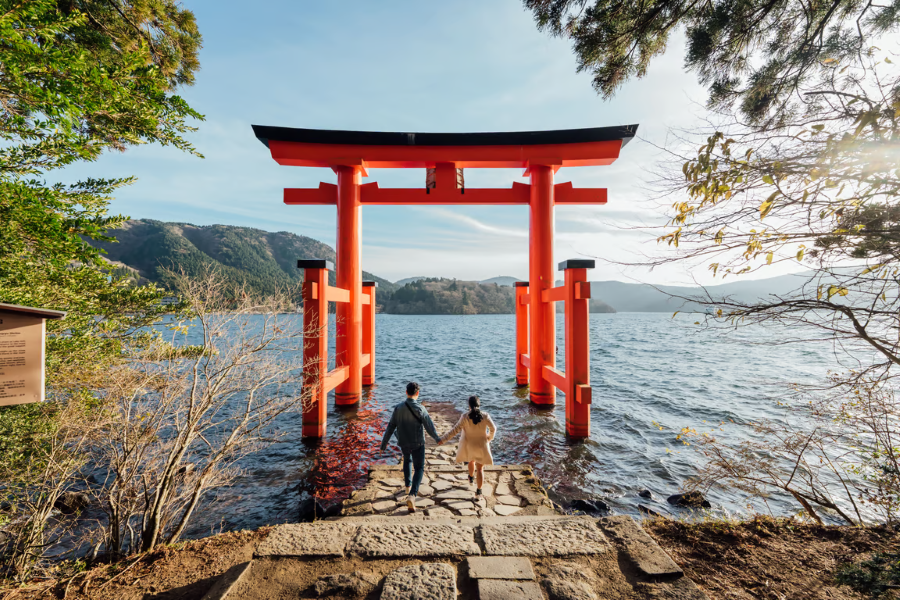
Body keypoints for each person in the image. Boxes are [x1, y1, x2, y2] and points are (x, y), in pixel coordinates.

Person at [380, 382, 442, 512]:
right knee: (419, 468)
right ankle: (412, 495)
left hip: (403, 441)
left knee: (407, 460)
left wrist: (383, 444)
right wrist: (437, 439)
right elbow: (429, 427)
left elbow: (390, 427)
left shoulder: (398, 408)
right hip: (418, 443)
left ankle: (407, 486)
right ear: (417, 393)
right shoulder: (421, 409)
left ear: (406, 392)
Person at [439, 395, 497, 497]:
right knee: (480, 469)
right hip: (481, 445)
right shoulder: (485, 416)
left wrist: (443, 439)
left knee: (471, 461)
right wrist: (489, 438)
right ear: (479, 404)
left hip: (469, 445)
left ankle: (471, 477)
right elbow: (493, 429)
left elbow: (455, 430)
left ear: (469, 405)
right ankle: (479, 492)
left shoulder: (465, 416)